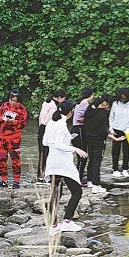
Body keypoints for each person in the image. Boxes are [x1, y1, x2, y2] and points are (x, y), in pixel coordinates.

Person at [42, 100, 88, 234]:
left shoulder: (51, 122)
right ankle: (67, 221)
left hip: (52, 162)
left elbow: (45, 142)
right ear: (70, 112)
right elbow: (56, 143)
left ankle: (54, 226)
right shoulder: (61, 124)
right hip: (63, 164)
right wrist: (74, 149)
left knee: (56, 193)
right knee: (77, 191)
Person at [85, 94, 124, 193]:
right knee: (97, 162)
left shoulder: (89, 110)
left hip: (89, 139)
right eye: (109, 105)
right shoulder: (102, 114)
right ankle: (96, 185)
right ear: (105, 103)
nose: (109, 107)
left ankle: (89, 181)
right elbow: (102, 132)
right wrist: (115, 139)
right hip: (99, 141)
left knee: (91, 160)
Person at [0, 89, 29, 189]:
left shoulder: (22, 109)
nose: (12, 102)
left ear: (19, 101)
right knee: (1, 159)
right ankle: (3, 181)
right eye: (11, 100)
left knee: (15, 160)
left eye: (15, 101)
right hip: (2, 138)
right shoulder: (4, 106)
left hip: (14, 139)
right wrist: (2, 118)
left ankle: (16, 181)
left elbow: (23, 124)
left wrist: (13, 121)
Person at [109, 88, 129, 177]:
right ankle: (115, 169)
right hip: (116, 129)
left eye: (125, 98)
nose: (123, 99)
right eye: (121, 97)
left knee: (126, 151)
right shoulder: (115, 104)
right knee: (115, 151)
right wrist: (111, 128)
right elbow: (111, 117)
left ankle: (125, 169)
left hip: (127, 130)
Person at [37, 89, 66, 182]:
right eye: (63, 99)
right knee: (46, 153)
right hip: (46, 129)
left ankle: (40, 175)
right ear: (59, 98)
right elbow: (50, 120)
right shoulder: (53, 106)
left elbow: (42, 117)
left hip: (41, 127)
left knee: (42, 152)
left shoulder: (46, 102)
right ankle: (43, 175)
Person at [71, 87, 94, 186]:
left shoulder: (79, 102)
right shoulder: (85, 103)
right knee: (83, 156)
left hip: (75, 130)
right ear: (91, 95)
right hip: (79, 129)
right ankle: (77, 179)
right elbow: (80, 118)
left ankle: (77, 177)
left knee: (80, 157)